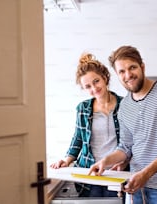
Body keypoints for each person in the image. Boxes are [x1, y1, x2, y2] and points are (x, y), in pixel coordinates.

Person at [89, 45, 157, 204]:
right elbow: (126, 146)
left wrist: (145, 174)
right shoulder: (124, 106)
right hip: (135, 187)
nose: (128, 75)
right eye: (122, 71)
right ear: (117, 75)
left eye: (132, 67)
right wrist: (106, 161)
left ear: (142, 67)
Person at [50, 53, 128, 198]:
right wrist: (67, 160)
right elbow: (78, 138)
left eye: (96, 81)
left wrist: (126, 161)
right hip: (89, 173)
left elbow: (132, 141)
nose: (94, 88)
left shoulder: (125, 105)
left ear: (105, 78)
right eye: (88, 86)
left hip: (116, 172)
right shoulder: (83, 108)